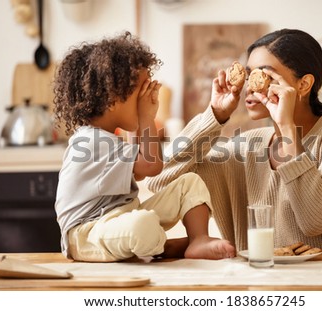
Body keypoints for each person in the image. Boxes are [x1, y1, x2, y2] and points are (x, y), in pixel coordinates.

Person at [147, 28, 322, 252]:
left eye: (264, 75)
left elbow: (316, 219)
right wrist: (215, 115)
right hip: (259, 283)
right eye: (249, 76)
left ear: (304, 84)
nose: (250, 86)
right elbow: (160, 179)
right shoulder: (249, 146)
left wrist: (286, 128)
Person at [53, 31, 235, 262]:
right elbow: (150, 166)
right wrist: (147, 118)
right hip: (87, 233)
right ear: (112, 99)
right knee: (143, 224)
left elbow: (139, 171)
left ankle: (198, 239)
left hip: (122, 217)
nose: (147, 99)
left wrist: (140, 120)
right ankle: (164, 248)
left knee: (189, 183)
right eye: (142, 92)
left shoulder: (103, 137)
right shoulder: (92, 142)